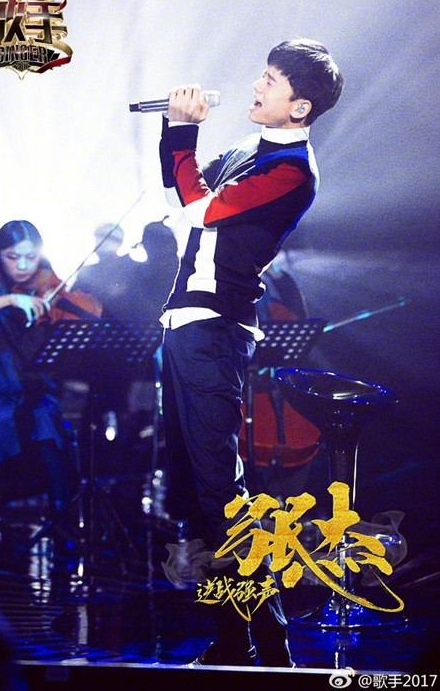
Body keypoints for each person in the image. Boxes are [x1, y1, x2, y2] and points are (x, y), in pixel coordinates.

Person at [158, 38, 343, 666]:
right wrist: (174, 133)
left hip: (215, 329)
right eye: (262, 74)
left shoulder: (291, 171)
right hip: (186, 325)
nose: (256, 85)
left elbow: (197, 209)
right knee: (197, 491)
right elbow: (180, 191)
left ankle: (270, 642)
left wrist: (184, 134)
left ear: (300, 106)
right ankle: (236, 637)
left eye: (271, 80)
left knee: (223, 492)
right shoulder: (246, 149)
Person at [0, 220, 100, 546]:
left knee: (46, 421)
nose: (22, 266)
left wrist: (63, 307)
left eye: (31, 257)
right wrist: (9, 300)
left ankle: (64, 522)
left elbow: (90, 314)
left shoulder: (48, 287)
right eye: (12, 257)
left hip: (34, 391)